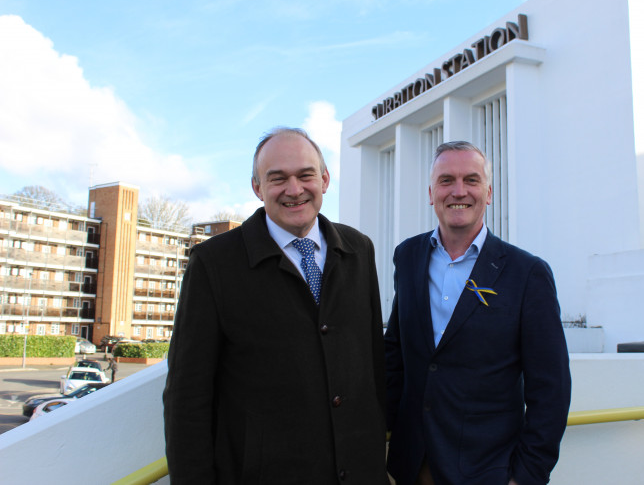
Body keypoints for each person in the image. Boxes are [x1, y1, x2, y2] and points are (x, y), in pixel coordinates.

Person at [163, 127, 387, 484]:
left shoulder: (359, 250)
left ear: (325, 179)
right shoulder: (214, 263)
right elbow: (187, 395)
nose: (294, 189)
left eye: (305, 175)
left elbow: (373, 363)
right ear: (257, 187)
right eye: (278, 178)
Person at [384, 141, 571, 485]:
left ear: (488, 193)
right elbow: (396, 353)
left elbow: (551, 388)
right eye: (446, 180)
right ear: (430, 193)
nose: (459, 191)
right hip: (412, 466)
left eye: (471, 180)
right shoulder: (407, 256)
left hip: (488, 469)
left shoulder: (526, 273)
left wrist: (526, 476)